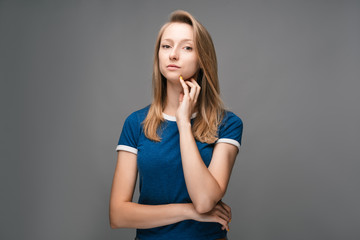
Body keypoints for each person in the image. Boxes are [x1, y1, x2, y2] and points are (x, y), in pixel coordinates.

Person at [109, 10, 243, 240]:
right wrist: (187, 211)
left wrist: (183, 123)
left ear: (203, 60)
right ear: (158, 56)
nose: (173, 55)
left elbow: (203, 201)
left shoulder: (228, 124)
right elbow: (118, 215)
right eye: (166, 46)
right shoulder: (136, 123)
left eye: (187, 47)